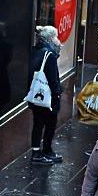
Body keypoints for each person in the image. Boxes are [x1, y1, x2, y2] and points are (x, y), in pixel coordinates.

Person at [29, 26, 63, 164]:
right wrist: (57, 93)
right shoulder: (49, 55)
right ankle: (46, 151)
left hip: (35, 94)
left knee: (38, 123)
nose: (58, 39)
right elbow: (52, 78)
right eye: (55, 36)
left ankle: (36, 151)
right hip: (47, 97)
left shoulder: (35, 50)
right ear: (50, 38)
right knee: (50, 123)